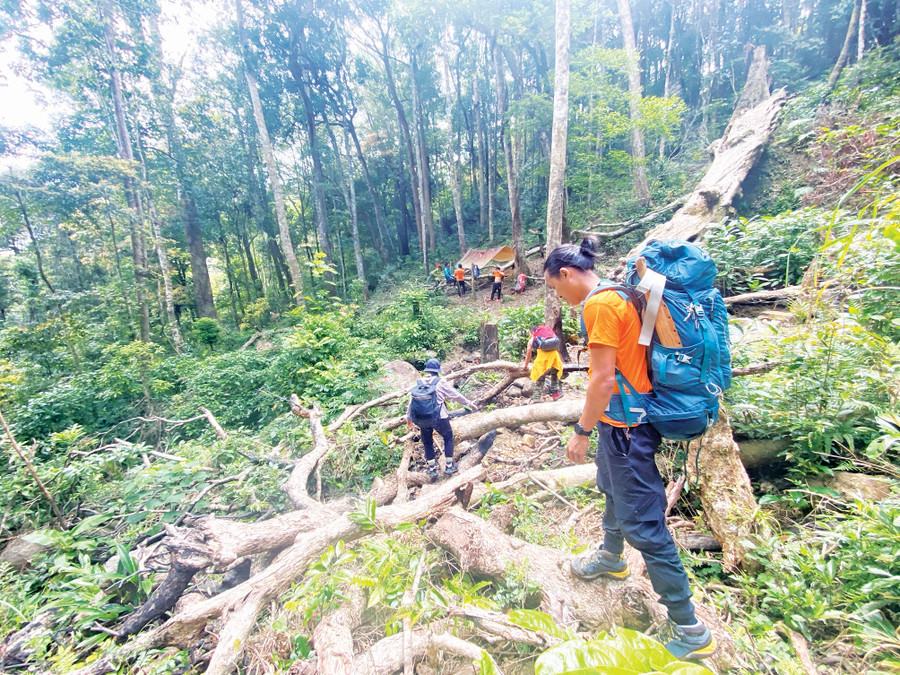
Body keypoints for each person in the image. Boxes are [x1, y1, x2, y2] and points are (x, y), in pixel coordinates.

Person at [542, 237, 716, 661]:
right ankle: (611, 556)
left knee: (644, 523)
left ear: (566, 274)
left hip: (627, 427)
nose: (558, 297)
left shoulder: (599, 306)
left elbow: (602, 380)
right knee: (610, 487)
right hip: (625, 419)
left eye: (555, 288)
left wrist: (581, 430)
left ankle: (689, 625)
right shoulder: (622, 293)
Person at [405, 358, 478, 478]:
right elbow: (455, 395)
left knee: (427, 442)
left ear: (427, 370)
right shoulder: (440, 382)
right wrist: (468, 403)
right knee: (448, 437)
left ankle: (432, 469)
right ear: (437, 370)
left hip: (422, 419)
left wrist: (409, 418)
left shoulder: (419, 383)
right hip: (440, 417)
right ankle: (449, 467)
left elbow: (411, 402)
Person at [523, 325, 563, 401]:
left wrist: (525, 366)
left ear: (532, 332)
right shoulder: (549, 336)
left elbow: (528, 354)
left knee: (540, 379)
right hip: (554, 358)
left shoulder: (532, 339)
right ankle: (555, 394)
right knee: (554, 375)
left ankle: (536, 398)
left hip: (542, 360)